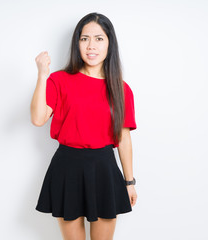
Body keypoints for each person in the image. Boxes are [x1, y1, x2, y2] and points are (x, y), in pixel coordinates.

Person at [30, 12, 137, 240]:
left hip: (104, 169)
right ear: (77, 43)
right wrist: (42, 76)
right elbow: (38, 118)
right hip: (67, 168)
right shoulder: (59, 80)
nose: (91, 46)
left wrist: (129, 182)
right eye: (84, 38)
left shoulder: (121, 88)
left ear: (110, 43)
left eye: (99, 39)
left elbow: (124, 138)